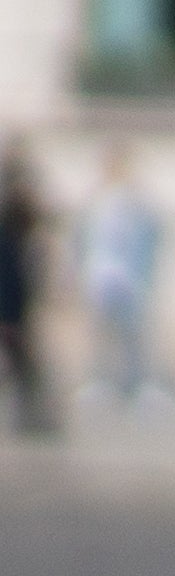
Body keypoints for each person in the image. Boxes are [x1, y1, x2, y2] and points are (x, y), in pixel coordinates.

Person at [75, 147, 161, 420]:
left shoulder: (135, 204)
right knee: (103, 336)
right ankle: (103, 384)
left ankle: (135, 388)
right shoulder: (97, 202)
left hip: (128, 281)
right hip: (101, 279)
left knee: (131, 338)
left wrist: (144, 278)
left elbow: (148, 243)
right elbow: (83, 243)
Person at [0, 139, 50, 440]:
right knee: (20, 357)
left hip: (15, 298)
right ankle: (29, 411)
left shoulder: (17, 223)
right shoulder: (11, 225)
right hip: (11, 298)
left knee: (21, 358)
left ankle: (30, 411)